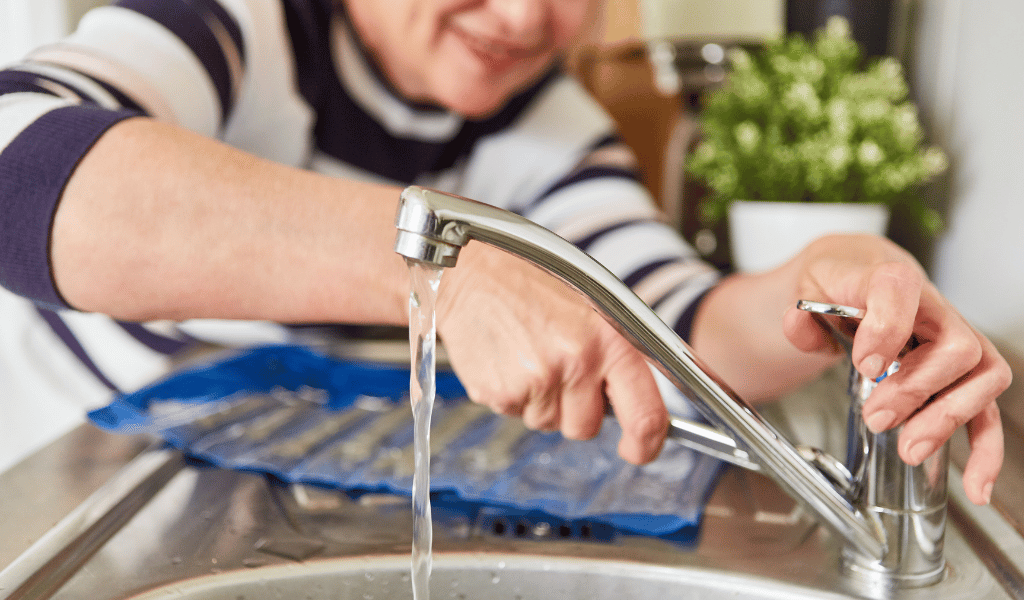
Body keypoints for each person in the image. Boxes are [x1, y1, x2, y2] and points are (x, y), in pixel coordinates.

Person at [0, 0, 1010, 505]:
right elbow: (15, 164)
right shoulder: (234, 29)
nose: (527, 18)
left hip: (283, 501)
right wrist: (439, 268)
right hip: (83, 503)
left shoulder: (546, 124)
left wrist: (826, 279)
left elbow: (675, 328)